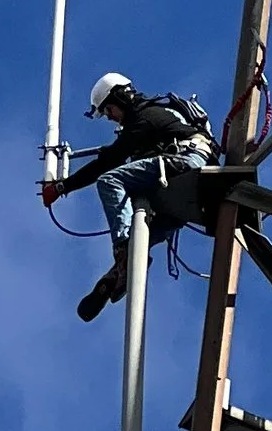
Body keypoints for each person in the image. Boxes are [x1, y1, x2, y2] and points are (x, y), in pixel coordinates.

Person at [42, 73, 218, 320]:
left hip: (186, 163)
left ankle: (123, 253)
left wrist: (63, 187)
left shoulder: (146, 117)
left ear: (120, 97)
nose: (111, 117)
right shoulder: (151, 122)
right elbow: (119, 153)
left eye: (109, 110)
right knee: (141, 236)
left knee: (110, 180)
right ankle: (121, 268)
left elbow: (107, 163)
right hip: (183, 184)